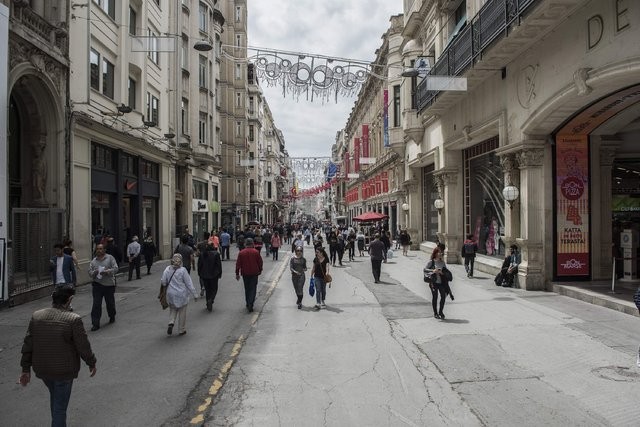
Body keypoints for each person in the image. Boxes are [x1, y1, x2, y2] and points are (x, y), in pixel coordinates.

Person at [18, 286, 97, 426]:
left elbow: (28, 344)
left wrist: (25, 369)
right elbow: (83, 346)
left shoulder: (37, 316)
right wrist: (91, 362)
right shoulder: (73, 319)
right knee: (60, 408)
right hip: (64, 372)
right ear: (70, 299)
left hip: (43, 370)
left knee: (56, 400)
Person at [161, 254, 199, 335]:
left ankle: (171, 322)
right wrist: (195, 294)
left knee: (173, 309)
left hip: (171, 294)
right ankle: (181, 330)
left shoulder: (167, 269)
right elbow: (189, 283)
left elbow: (163, 282)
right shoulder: (183, 270)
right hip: (182, 294)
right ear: (180, 261)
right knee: (182, 312)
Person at [87, 244, 119, 331]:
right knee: (96, 304)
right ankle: (95, 323)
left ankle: (112, 315)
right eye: (97, 249)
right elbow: (90, 273)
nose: (99, 250)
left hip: (109, 285)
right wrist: (95, 272)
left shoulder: (110, 258)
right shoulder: (93, 261)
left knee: (110, 303)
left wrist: (107, 272)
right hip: (97, 285)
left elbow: (116, 268)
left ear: (104, 250)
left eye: (101, 249)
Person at [235, 238, 263, 313]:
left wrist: (237, 273)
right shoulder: (256, 252)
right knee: (253, 288)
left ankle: (248, 302)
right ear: (252, 244)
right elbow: (260, 262)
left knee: (247, 288)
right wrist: (260, 270)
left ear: (245, 244)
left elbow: (238, 264)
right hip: (254, 273)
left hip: (245, 273)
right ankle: (251, 302)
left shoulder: (241, 252)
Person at [425, 247, 453, 319]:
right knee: (435, 297)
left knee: (443, 296)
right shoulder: (431, 262)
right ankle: (435, 313)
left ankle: (441, 312)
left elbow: (446, 272)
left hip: (441, 283)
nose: (440, 253)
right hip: (433, 282)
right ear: (435, 253)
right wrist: (433, 271)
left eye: (441, 252)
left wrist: (442, 272)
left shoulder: (442, 263)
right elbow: (425, 270)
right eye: (439, 252)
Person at [197, 243, 222, 312]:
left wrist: (199, 273)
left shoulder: (202, 254)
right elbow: (218, 264)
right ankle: (211, 300)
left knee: (208, 289)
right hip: (214, 274)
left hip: (205, 275)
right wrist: (220, 273)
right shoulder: (216, 254)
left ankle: (208, 300)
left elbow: (199, 265)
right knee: (214, 289)